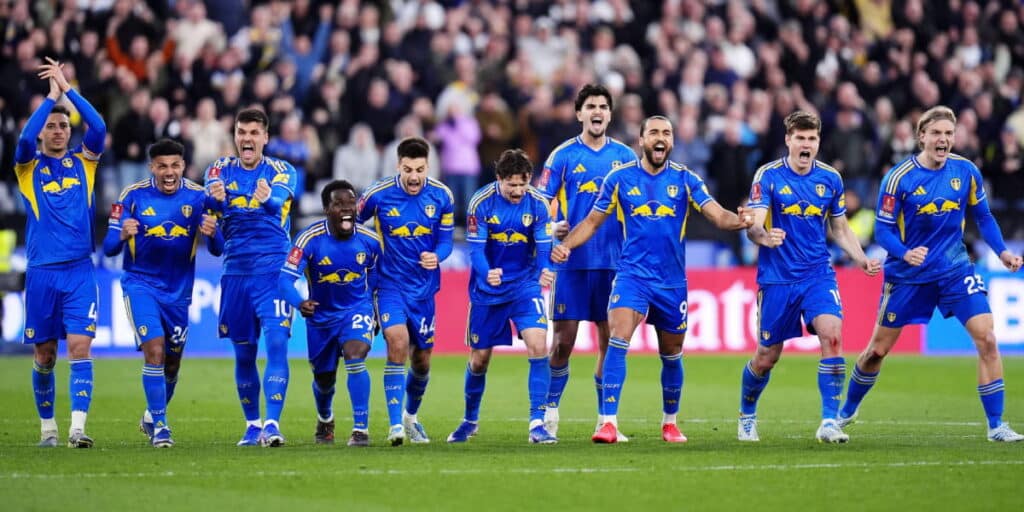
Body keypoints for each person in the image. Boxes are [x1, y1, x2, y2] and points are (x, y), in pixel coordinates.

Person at [552, 116, 753, 444]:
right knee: (618, 338)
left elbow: (717, 214)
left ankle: (670, 423)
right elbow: (592, 221)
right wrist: (565, 245)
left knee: (671, 352)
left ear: (672, 142)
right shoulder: (620, 178)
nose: (661, 138)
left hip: (671, 283)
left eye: (667, 133)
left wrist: (739, 221)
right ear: (641, 140)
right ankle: (608, 422)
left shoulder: (686, 179)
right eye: (654, 133)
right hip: (631, 275)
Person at [838, 106, 1024, 442]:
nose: (943, 140)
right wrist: (905, 253)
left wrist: (1003, 252)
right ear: (921, 136)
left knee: (987, 338)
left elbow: (983, 218)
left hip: (954, 269)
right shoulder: (898, 178)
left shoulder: (966, 171)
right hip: (908, 275)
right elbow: (883, 231)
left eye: (949, 134)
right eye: (936, 133)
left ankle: (997, 425)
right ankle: (846, 410)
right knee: (877, 351)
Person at [736, 111, 881, 444]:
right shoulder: (768, 175)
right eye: (799, 138)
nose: (806, 144)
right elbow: (755, 224)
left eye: (811, 139)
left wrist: (860, 259)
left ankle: (829, 421)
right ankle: (747, 414)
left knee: (831, 335)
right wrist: (762, 234)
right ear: (788, 140)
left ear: (818, 142)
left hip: (818, 274)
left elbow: (839, 227)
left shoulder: (831, 179)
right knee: (766, 357)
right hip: (777, 278)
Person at [102, 138, 224, 448]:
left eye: (174, 165)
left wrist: (214, 233)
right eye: (162, 166)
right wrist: (121, 236)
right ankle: (161, 427)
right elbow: (108, 247)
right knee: (154, 351)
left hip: (179, 292)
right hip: (140, 284)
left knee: (172, 365)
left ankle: (150, 416)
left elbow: (219, 248)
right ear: (151, 167)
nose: (168, 172)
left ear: (183, 166)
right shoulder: (132, 197)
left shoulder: (199, 197)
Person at [536, 84, 636, 440]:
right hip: (572, 262)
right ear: (579, 113)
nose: (597, 112)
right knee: (563, 341)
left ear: (610, 114)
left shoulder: (625, 157)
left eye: (603, 107)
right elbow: (539, 202)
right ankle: (549, 412)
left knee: (611, 342)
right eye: (591, 106)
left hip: (614, 263)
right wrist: (551, 227)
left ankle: (605, 419)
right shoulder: (562, 156)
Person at [17, 58, 106, 448]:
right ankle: (48, 429)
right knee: (46, 354)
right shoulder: (27, 168)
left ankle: (77, 429)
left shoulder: (83, 163)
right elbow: (22, 142)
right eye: (51, 126)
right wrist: (49, 99)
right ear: (42, 133)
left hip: (79, 272)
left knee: (80, 347)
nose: (57, 130)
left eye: (63, 125)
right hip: (41, 272)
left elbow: (99, 127)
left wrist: (67, 92)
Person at [447, 149, 557, 445]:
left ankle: (537, 422)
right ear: (499, 179)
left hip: (524, 286)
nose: (518, 191)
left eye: (523, 184)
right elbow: (476, 251)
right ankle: (470, 420)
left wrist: (546, 269)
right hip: (488, 290)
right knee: (480, 360)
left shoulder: (537, 203)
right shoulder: (481, 202)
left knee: (538, 345)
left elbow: (544, 248)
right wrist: (486, 273)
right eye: (512, 185)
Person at [205, 108, 298, 447]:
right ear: (235, 135)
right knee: (244, 355)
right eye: (242, 132)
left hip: (273, 272)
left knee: (276, 346)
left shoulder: (281, 170)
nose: (247, 138)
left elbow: (278, 203)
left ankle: (273, 424)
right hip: (235, 274)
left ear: (265, 138)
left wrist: (267, 200)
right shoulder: (217, 171)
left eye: (254, 133)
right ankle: (253, 424)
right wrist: (209, 227)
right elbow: (215, 243)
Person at [356, 137, 454, 445]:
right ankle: (395, 425)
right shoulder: (377, 194)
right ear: (398, 165)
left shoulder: (443, 196)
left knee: (422, 359)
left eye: (420, 169)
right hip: (389, 285)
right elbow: (350, 226)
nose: (414, 176)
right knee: (397, 343)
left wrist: (437, 255)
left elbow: (447, 240)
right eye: (408, 169)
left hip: (424, 290)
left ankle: (411, 417)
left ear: (428, 167)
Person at [279, 180, 382, 447]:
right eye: (339, 204)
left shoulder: (370, 241)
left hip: (356, 310)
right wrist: (300, 302)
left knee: (355, 355)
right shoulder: (309, 239)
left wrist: (377, 310)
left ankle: (361, 429)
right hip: (321, 319)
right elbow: (285, 280)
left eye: (351, 203)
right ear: (327, 209)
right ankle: (325, 418)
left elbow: (382, 279)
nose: (347, 209)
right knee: (324, 380)